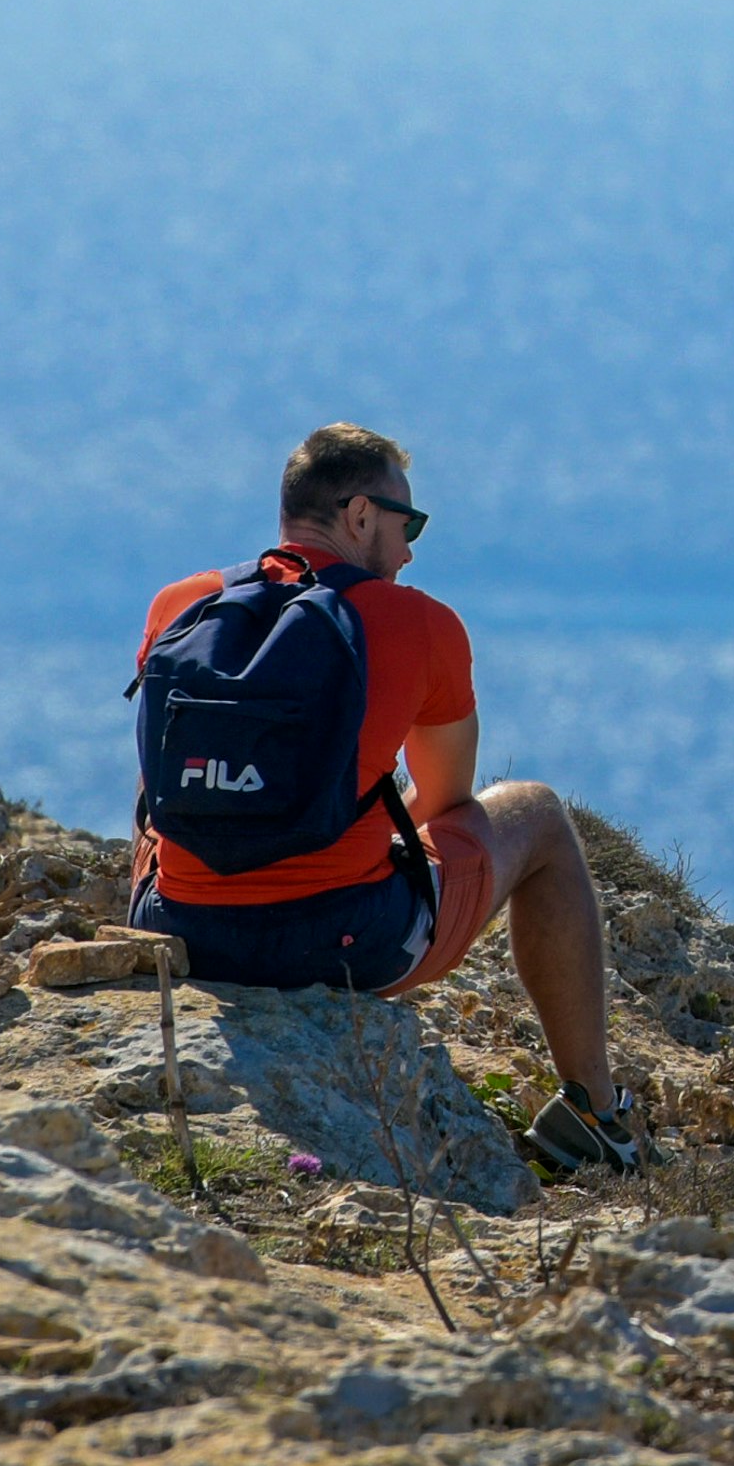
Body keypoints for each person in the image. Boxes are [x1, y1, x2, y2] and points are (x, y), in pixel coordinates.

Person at [128, 423, 643, 1179]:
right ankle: (596, 1113)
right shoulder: (418, 624)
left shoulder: (182, 602)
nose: (409, 551)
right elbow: (445, 801)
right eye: (410, 524)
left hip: (181, 933)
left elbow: (158, 783)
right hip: (347, 942)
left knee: (152, 800)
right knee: (535, 814)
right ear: (361, 515)